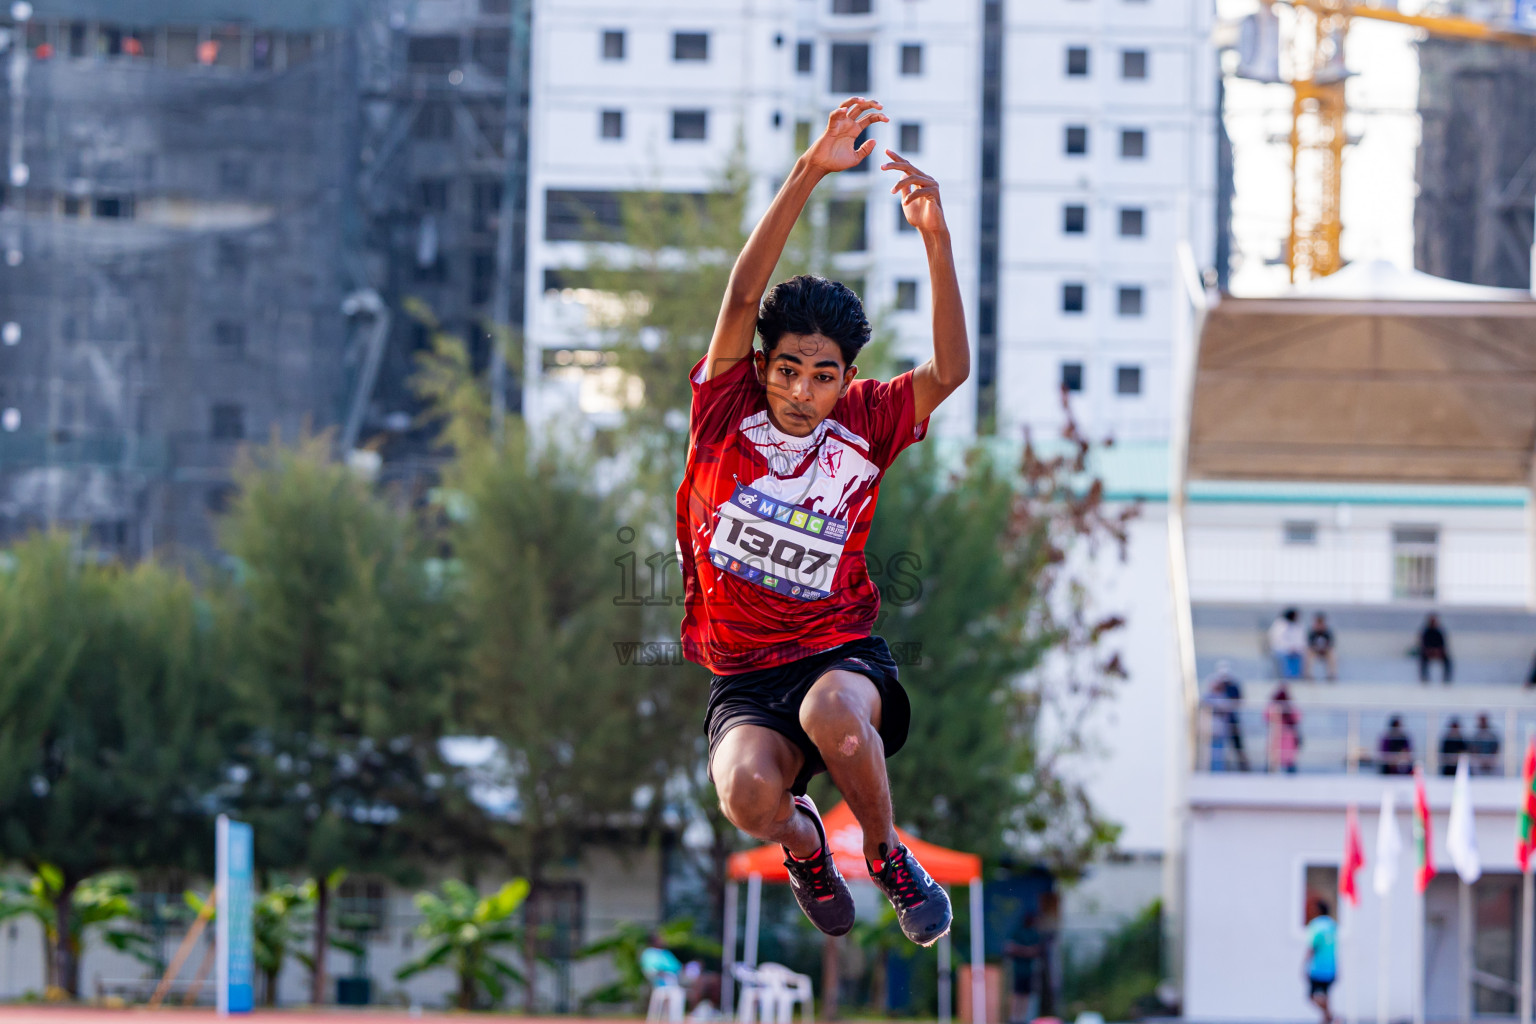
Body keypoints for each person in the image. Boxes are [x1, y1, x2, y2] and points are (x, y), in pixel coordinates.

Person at [678, 96, 967, 946]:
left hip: (835, 653)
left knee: (834, 717)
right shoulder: (723, 408)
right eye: (791, 370)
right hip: (742, 674)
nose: (804, 393)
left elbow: (949, 369)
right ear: (764, 365)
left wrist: (936, 239)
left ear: (847, 379)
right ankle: (807, 846)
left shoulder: (868, 424)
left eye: (825, 376)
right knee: (744, 798)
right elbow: (740, 295)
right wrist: (810, 170)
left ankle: (885, 852)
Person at [1205, 662, 1249, 772]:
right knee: (1218, 747)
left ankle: (1243, 768)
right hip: (1220, 723)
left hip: (1232, 720)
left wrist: (1227, 707)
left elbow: (1238, 701)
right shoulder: (1215, 691)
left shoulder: (1233, 687)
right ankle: (1218, 768)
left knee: (1237, 745)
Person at [1003, 912, 1044, 1024]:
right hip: (1017, 969)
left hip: (1029, 970)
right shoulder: (1018, 932)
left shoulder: (1034, 934)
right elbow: (1009, 948)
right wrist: (1026, 951)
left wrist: (1021, 950)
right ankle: (1014, 1018)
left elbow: (1035, 950)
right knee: (1016, 994)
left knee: (1026, 994)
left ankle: (1022, 1018)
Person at [1304, 897, 1338, 1024]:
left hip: (1317, 967)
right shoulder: (1332, 925)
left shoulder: (1317, 925)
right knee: (1326, 995)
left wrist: (1305, 963)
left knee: (1312, 996)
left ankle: (1330, 1015)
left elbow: (1312, 946)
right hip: (1331, 967)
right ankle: (1327, 1019)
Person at [1265, 685, 1302, 773]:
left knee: (1288, 759)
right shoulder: (1274, 707)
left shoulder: (1290, 707)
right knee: (1274, 759)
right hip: (1277, 735)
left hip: (1286, 736)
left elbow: (1297, 717)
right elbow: (1267, 716)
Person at [1269, 608, 1307, 679]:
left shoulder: (1299, 625)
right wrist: (1288, 648)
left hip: (1295, 650)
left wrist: (1296, 648)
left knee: (1300, 656)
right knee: (1285, 657)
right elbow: (1277, 640)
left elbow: (1301, 640)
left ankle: (1296, 678)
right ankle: (1285, 678)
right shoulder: (1279, 625)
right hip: (1281, 649)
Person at [1418, 613, 1452, 683]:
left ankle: (1446, 679)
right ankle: (1424, 678)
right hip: (1428, 652)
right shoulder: (1426, 632)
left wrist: (1438, 651)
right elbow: (1423, 645)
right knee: (1422, 659)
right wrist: (1429, 651)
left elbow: (1443, 645)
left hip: (1438, 652)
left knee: (1447, 660)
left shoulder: (1439, 632)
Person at [1306, 613, 1337, 681]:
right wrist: (1316, 648)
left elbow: (1331, 644)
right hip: (1315, 651)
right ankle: (1308, 675)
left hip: (1325, 652)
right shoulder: (1312, 632)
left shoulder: (1328, 632)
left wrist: (1324, 648)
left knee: (1332, 653)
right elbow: (1310, 644)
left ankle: (1331, 675)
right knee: (1309, 653)